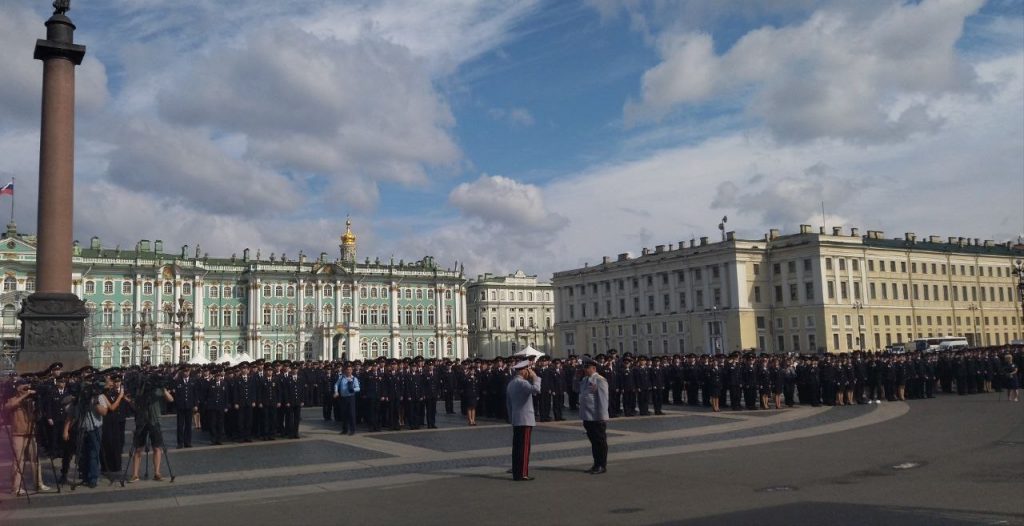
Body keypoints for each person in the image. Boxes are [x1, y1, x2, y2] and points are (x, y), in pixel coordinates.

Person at [5, 381, 51, 495]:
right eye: (23, 386)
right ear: (18, 388)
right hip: (18, 434)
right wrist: (25, 395)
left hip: (31, 433)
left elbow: (39, 414)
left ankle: (38, 484)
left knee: (35, 459)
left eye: (27, 386)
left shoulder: (31, 400)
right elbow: (8, 407)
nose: (27, 388)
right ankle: (16, 487)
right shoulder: (13, 399)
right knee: (18, 461)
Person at [63, 383, 110, 488]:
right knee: (82, 455)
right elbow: (70, 415)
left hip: (95, 429)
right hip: (81, 429)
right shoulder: (78, 400)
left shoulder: (98, 396)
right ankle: (84, 477)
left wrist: (94, 402)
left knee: (93, 454)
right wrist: (65, 430)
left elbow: (104, 412)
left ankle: (93, 478)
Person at [127, 378, 174, 483]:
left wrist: (162, 388)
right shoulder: (140, 390)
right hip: (141, 421)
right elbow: (134, 405)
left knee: (157, 448)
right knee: (138, 448)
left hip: (154, 420)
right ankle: (135, 474)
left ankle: (157, 473)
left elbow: (171, 399)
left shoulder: (157, 390)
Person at [506, 360, 541, 482]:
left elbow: (508, 404)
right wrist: (536, 377)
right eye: (528, 370)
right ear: (523, 371)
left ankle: (516, 472)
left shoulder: (511, 383)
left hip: (516, 418)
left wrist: (511, 418)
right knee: (525, 448)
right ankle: (523, 473)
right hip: (525, 419)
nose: (529, 372)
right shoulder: (522, 383)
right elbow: (536, 390)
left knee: (517, 447)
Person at [578, 358, 608, 475]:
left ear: (594, 368)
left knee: (600, 442)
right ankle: (596, 464)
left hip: (596, 417)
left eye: (587, 368)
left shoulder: (600, 380)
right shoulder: (585, 380)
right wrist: (576, 377)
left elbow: (603, 400)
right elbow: (577, 390)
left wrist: (602, 417)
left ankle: (602, 465)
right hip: (587, 416)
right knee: (594, 442)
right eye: (584, 368)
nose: (585, 370)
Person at [334, 364, 360, 435]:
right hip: (343, 398)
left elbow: (358, 388)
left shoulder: (354, 378)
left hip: (351, 398)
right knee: (344, 414)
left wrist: (353, 389)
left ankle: (352, 430)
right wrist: (336, 392)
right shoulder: (342, 377)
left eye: (350, 370)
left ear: (352, 371)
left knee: (351, 414)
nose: (349, 371)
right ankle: (344, 429)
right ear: (345, 370)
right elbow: (336, 384)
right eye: (347, 370)